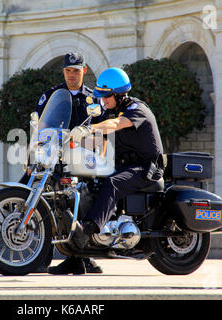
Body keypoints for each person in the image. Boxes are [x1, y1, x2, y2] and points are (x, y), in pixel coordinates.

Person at [20, 52, 104, 275]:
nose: (71, 75)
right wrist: (31, 158)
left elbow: (102, 131)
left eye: (76, 71)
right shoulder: (51, 95)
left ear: (84, 71)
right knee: (31, 194)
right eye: (68, 71)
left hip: (81, 159)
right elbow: (38, 128)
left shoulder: (93, 98)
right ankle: (39, 258)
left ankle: (83, 257)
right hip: (52, 158)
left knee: (81, 201)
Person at [69, 67, 165, 253]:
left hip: (146, 169)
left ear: (120, 94)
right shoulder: (110, 111)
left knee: (113, 183)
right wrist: (70, 142)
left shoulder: (137, 109)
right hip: (124, 167)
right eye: (102, 96)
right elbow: (99, 139)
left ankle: (88, 230)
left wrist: (90, 129)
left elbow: (116, 125)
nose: (103, 100)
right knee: (88, 181)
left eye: (107, 96)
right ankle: (76, 257)